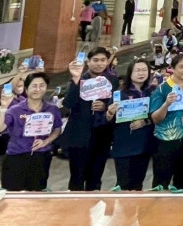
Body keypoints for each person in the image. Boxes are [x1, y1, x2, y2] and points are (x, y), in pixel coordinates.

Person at [61, 47, 117, 191]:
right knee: (77, 179)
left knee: (95, 179)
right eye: (95, 60)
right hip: (80, 136)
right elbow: (68, 104)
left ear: (107, 62)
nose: (99, 63)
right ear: (88, 62)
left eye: (103, 60)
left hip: (102, 136)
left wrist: (105, 107)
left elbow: (116, 104)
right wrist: (76, 80)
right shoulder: (79, 79)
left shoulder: (112, 80)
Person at [0, 71, 62, 191]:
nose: (38, 89)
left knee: (36, 194)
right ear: (26, 89)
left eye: (42, 85)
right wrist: (3, 107)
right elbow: (1, 128)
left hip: (41, 158)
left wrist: (46, 142)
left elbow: (57, 129)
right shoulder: (15, 110)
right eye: (34, 86)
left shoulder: (52, 109)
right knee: (12, 195)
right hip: (16, 157)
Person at [150, 53, 183, 189]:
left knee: (182, 182)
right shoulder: (162, 89)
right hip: (165, 142)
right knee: (161, 183)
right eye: (182, 67)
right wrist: (166, 104)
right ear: (173, 68)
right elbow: (155, 118)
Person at [106, 58, 155, 190]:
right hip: (124, 145)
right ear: (130, 73)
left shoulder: (153, 92)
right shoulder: (119, 94)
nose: (141, 73)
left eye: (144, 70)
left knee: (138, 184)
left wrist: (145, 122)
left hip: (144, 145)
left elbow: (157, 115)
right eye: (137, 70)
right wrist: (110, 113)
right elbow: (108, 119)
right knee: (123, 185)